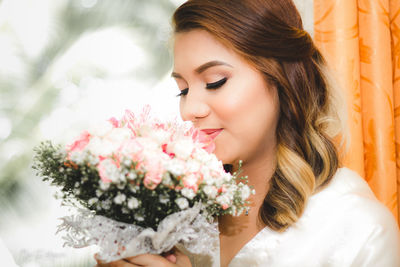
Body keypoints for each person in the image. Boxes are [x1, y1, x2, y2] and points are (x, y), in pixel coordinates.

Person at [96, 0, 400, 266]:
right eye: (183, 90)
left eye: (215, 81)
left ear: (282, 79)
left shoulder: (359, 231)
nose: (191, 109)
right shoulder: (174, 219)